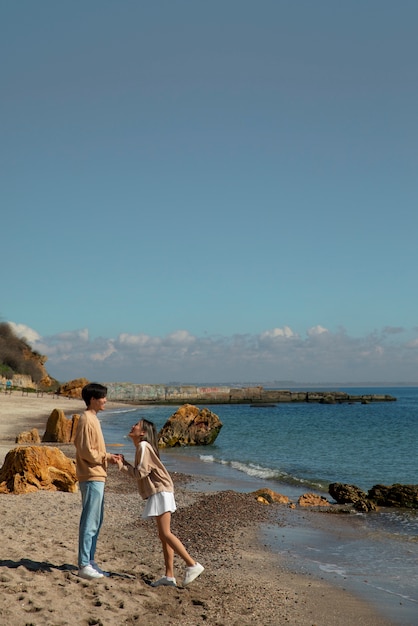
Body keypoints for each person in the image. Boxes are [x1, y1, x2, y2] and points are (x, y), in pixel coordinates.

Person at [117, 418, 204, 587]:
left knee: (165, 534)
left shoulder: (143, 446)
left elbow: (140, 473)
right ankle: (169, 576)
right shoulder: (142, 447)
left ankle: (192, 564)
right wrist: (125, 463)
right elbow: (141, 471)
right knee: (163, 535)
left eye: (136, 424)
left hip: (161, 490)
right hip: (161, 490)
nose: (132, 425)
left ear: (142, 432)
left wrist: (121, 465)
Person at [74, 382, 120, 580]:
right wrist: (106, 457)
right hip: (91, 475)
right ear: (92, 399)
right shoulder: (86, 418)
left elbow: (92, 449)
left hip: (97, 475)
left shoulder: (93, 418)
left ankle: (90, 560)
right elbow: (85, 450)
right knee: (90, 520)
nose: (105, 400)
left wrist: (107, 456)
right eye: (102, 397)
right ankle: (84, 563)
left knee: (97, 520)